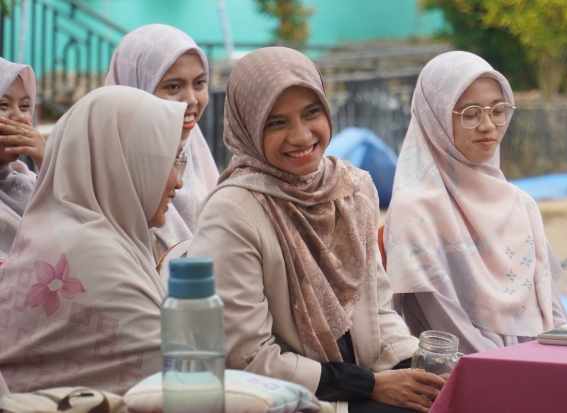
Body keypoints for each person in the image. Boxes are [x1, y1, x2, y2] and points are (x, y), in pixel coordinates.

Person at [188, 47, 445, 413]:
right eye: (276, 123)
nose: (301, 135)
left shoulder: (351, 190)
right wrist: (369, 386)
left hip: (363, 383)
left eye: (312, 113)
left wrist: (412, 369)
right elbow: (247, 357)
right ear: (248, 125)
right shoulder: (232, 214)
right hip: (292, 399)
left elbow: (378, 312)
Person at [0, 86, 185, 394]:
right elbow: (177, 373)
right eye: (168, 160)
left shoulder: (72, 230)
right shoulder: (91, 254)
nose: (179, 180)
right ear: (122, 163)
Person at [384, 51, 567, 355]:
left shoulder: (520, 204)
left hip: (540, 361)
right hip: (471, 373)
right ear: (435, 119)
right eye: (470, 113)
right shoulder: (416, 212)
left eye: (498, 110)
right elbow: (448, 330)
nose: (488, 125)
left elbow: (550, 306)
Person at [105, 24, 220, 258]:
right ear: (135, 89)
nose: (191, 99)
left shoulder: (194, 152)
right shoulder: (111, 167)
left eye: (199, 83)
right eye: (173, 86)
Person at [0, 57, 47, 257]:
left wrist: (48, 164)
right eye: (3, 105)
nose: (19, 117)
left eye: (25, 106)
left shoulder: (29, 182)